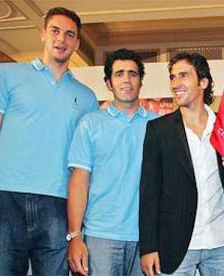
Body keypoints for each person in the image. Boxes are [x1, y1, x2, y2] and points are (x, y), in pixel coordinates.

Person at [0, 7, 98, 275]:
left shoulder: (87, 98)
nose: (61, 39)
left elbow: (85, 168)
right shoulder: (5, 75)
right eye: (55, 31)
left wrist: (77, 229)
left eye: (69, 34)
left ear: (76, 43)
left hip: (58, 205)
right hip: (5, 200)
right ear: (42, 34)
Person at [139, 52, 224, 276]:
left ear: (203, 82)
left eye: (184, 75)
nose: (176, 83)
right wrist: (148, 247)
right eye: (173, 77)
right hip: (175, 244)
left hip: (222, 241)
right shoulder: (159, 130)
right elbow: (149, 192)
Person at [66, 48, 159, 276]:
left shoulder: (159, 126)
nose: (126, 79)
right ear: (108, 82)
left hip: (147, 238)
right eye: (119, 74)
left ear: (141, 81)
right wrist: (75, 236)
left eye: (132, 74)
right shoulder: (90, 124)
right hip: (100, 237)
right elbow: (79, 182)